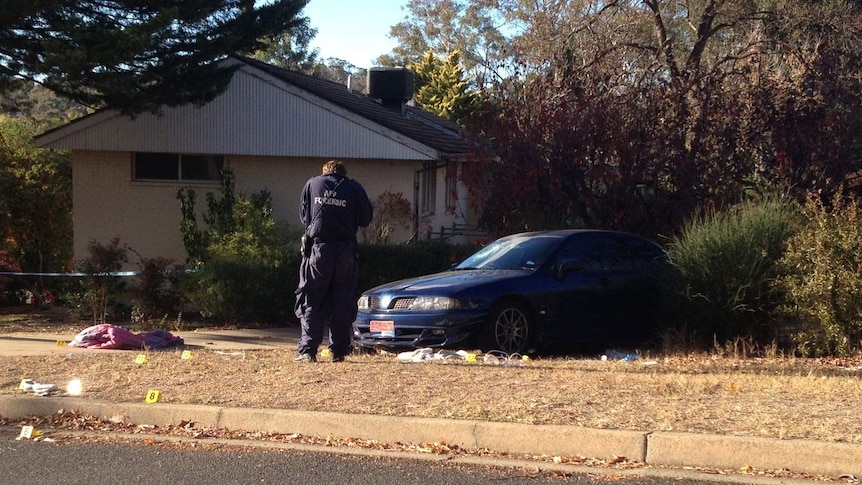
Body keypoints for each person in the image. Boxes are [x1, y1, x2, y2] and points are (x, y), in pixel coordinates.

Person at [294, 160, 373, 362]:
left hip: (319, 251)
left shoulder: (312, 184)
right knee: (342, 301)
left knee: (312, 299)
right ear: (343, 174)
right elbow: (366, 219)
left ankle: (308, 351)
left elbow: (305, 217)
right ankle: (338, 351)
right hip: (345, 251)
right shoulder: (354, 187)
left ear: (325, 171)